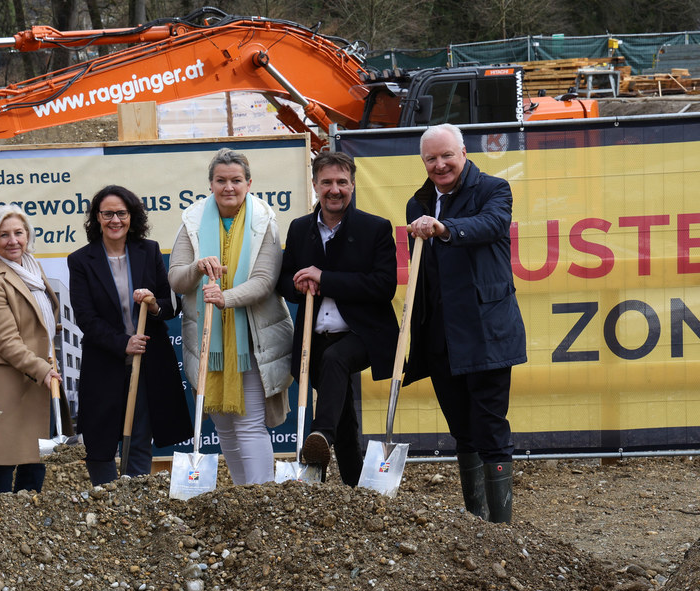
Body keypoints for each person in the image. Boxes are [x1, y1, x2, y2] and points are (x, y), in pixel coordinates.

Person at [404, 123, 526, 523]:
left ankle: (501, 529)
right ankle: (475, 521)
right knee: (462, 429)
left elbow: (490, 225)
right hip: (441, 337)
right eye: (431, 159)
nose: (440, 165)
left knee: (490, 428)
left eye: (447, 156)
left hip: (486, 331)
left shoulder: (493, 190)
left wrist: (445, 228)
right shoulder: (417, 203)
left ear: (464, 153)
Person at [168, 148, 293, 485]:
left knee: (249, 422)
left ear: (248, 183)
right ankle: (242, 498)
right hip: (208, 340)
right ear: (210, 184)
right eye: (221, 180)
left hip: (252, 339)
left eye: (236, 180)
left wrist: (225, 298)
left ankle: (261, 499)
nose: (228, 187)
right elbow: (177, 278)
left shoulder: (265, 220)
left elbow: (264, 282)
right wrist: (197, 268)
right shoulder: (192, 221)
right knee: (223, 424)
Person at [277, 151, 399, 485]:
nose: (335, 189)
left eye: (342, 182)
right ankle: (353, 485)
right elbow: (284, 280)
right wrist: (299, 284)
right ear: (315, 185)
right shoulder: (301, 229)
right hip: (313, 338)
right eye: (327, 182)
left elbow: (383, 285)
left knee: (335, 361)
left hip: (362, 334)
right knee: (343, 415)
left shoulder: (374, 228)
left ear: (353, 185)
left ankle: (320, 437)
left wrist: (325, 277)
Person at [68, 186, 191, 485]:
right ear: (96, 218)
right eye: (107, 213)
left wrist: (152, 304)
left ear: (131, 216)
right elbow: (86, 317)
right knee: (99, 443)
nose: (115, 220)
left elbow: (170, 306)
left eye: (121, 213)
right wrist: (124, 342)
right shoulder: (81, 260)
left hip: (148, 364)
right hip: (105, 362)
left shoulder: (148, 251)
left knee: (139, 439)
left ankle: (134, 504)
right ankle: (108, 502)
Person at [0, 204, 63, 496]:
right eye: (3, 235)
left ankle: (26, 527)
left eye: (18, 233)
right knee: (2, 462)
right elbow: (6, 341)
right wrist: (44, 370)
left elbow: (41, 320)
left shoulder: (32, 268)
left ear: (27, 235)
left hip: (34, 376)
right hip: (5, 383)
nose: (13, 241)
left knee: (35, 459)